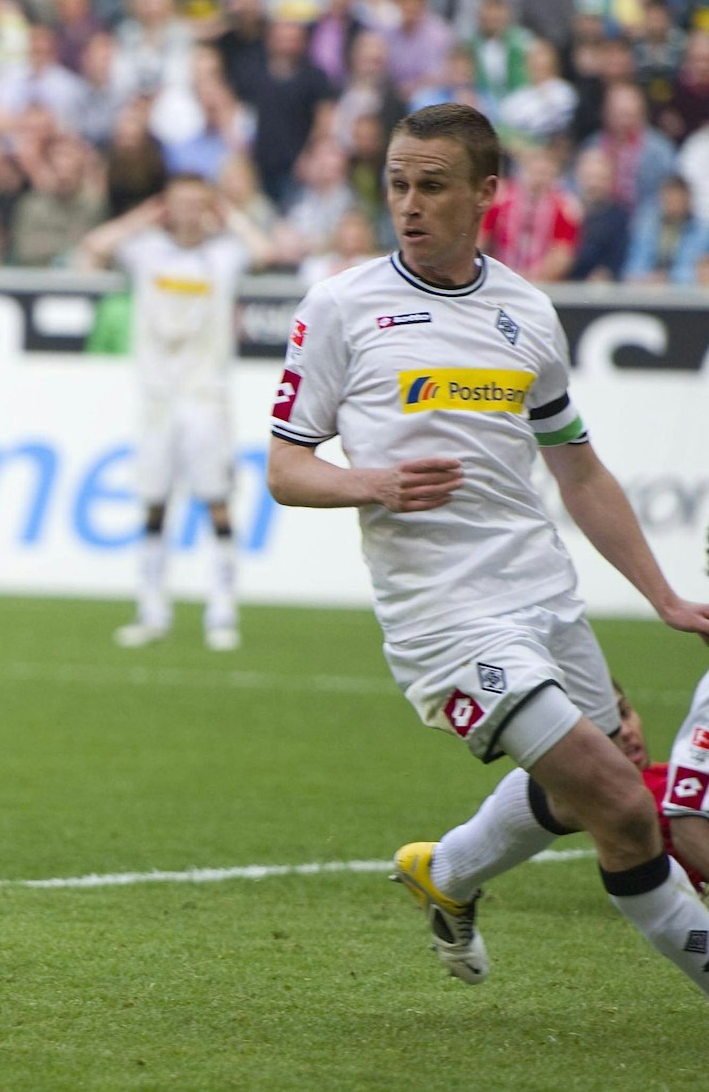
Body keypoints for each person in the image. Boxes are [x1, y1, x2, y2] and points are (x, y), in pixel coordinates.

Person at [266, 102, 709, 998]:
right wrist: (374, 483)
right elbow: (285, 467)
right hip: (444, 616)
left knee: (593, 786)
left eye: (432, 185)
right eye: (397, 184)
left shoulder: (527, 312)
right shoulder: (342, 306)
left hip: (541, 592)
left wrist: (661, 595)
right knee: (624, 806)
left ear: (487, 193)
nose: (409, 203)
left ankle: (449, 872)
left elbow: (579, 469)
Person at [76, 173, 270, 652]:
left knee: (216, 499)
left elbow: (265, 253)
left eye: (197, 203)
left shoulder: (223, 255)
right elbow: (95, 246)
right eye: (179, 202)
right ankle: (151, 610)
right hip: (158, 397)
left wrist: (231, 216)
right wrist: (143, 216)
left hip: (206, 394)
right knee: (154, 502)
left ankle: (222, 610)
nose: (188, 211)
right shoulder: (148, 251)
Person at [423, 680, 709, 928]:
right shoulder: (653, 798)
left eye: (624, 713)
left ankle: (444, 868)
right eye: (600, 725)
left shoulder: (674, 781)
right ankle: (445, 868)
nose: (623, 731)